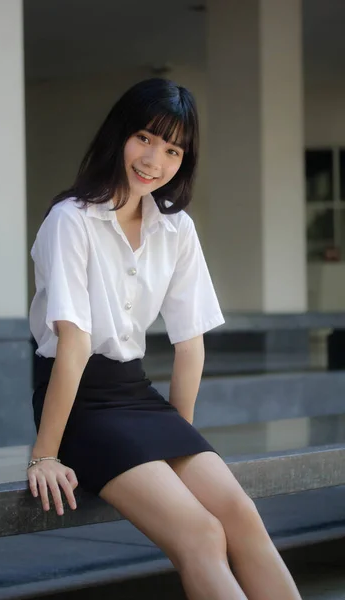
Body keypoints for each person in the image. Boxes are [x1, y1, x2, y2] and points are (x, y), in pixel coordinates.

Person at [28, 78, 302, 600]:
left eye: (173, 149)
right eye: (146, 138)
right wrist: (45, 454)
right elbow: (74, 345)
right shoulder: (70, 221)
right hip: (80, 403)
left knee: (242, 518)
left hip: (140, 398)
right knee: (200, 534)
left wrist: (182, 439)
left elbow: (190, 342)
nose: (155, 159)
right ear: (120, 135)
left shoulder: (176, 229)